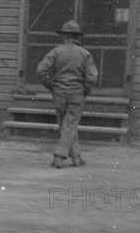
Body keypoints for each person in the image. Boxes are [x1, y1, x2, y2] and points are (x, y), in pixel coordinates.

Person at [36, 20, 98, 168]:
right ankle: (59, 155)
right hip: (76, 94)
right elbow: (92, 77)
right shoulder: (85, 53)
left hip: (58, 94)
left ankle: (76, 157)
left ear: (63, 35)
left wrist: (50, 85)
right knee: (69, 126)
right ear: (77, 37)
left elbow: (41, 70)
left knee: (66, 126)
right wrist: (85, 90)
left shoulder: (56, 52)